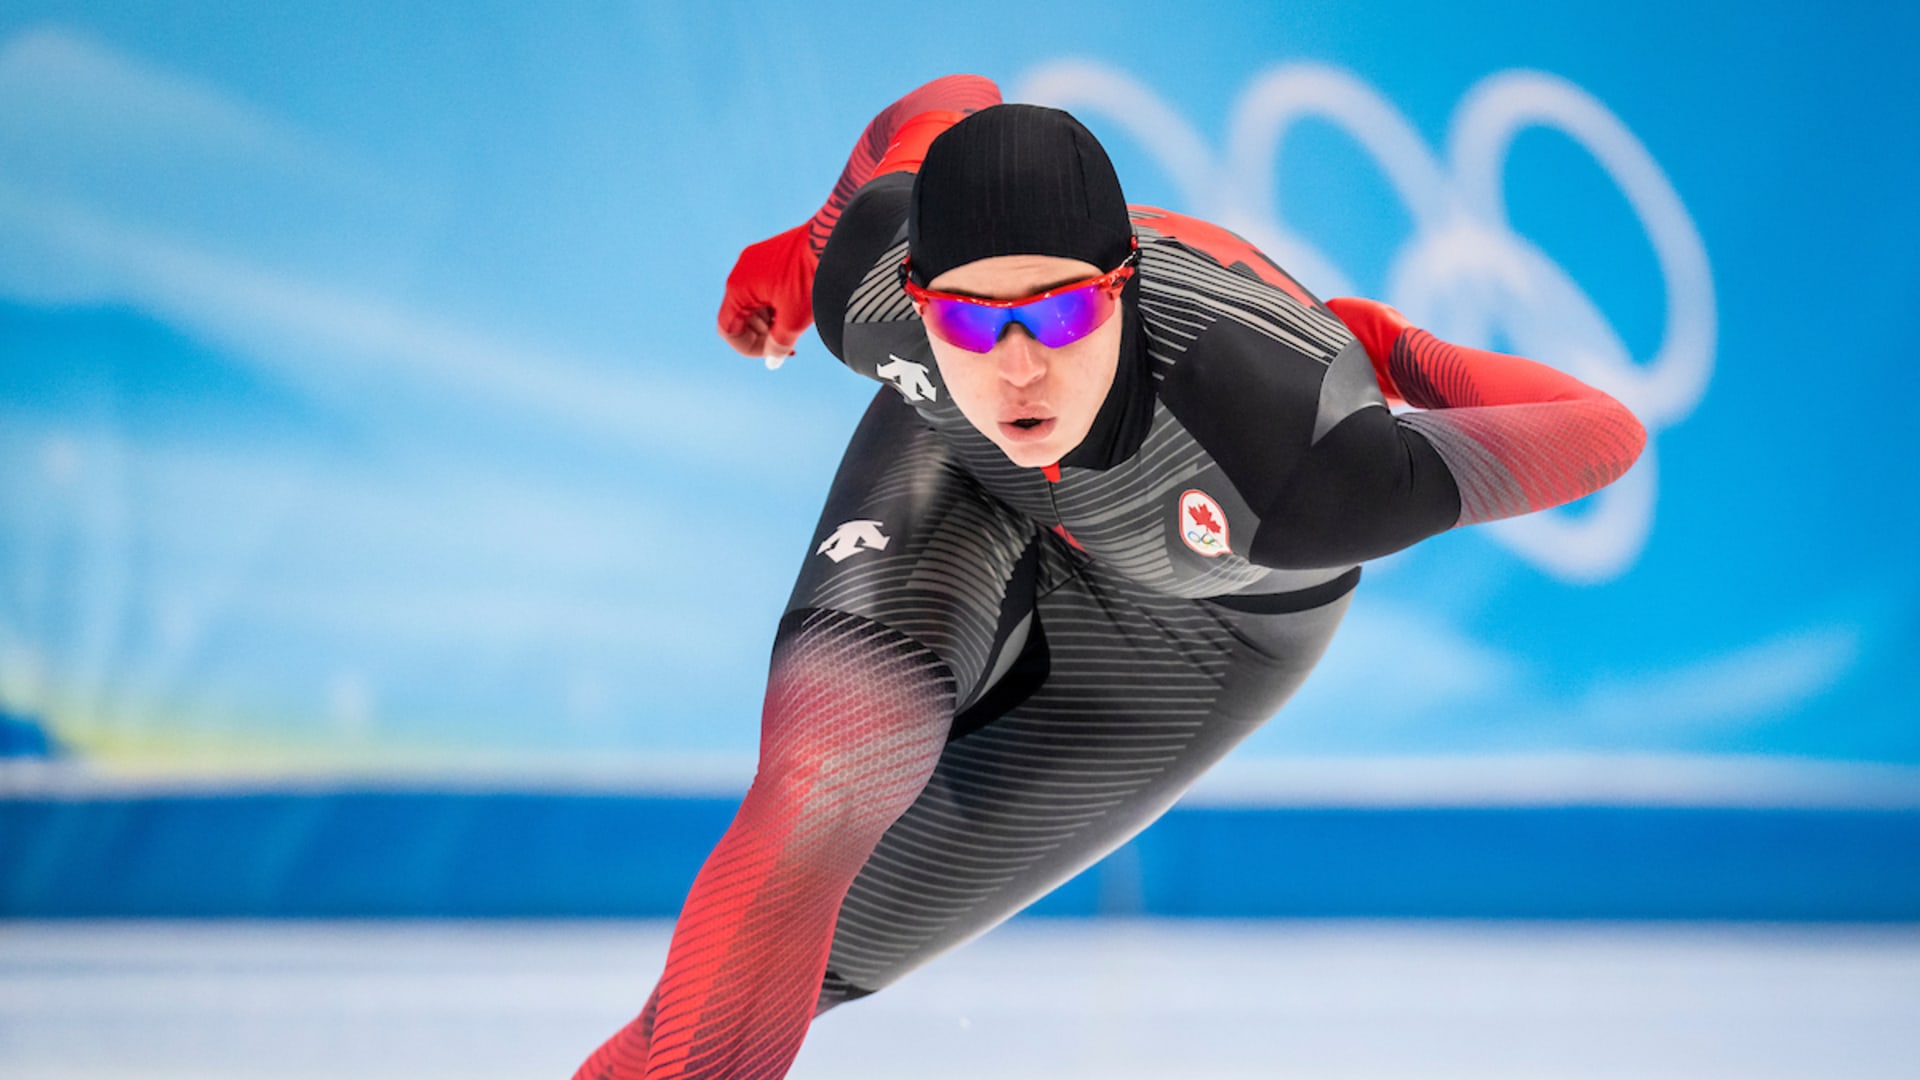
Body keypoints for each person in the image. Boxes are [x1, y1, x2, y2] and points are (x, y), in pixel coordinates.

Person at [575, 74, 1645, 1080]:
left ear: (1123, 291)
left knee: (834, 952)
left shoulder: (1299, 465)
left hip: (1203, 627)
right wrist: (809, 247)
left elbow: (1601, 430)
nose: (1018, 367)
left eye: (1061, 311)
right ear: (915, 296)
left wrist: (1408, 355)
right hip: (964, 471)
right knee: (822, 792)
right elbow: (956, 102)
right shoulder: (872, 290)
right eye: (970, 319)